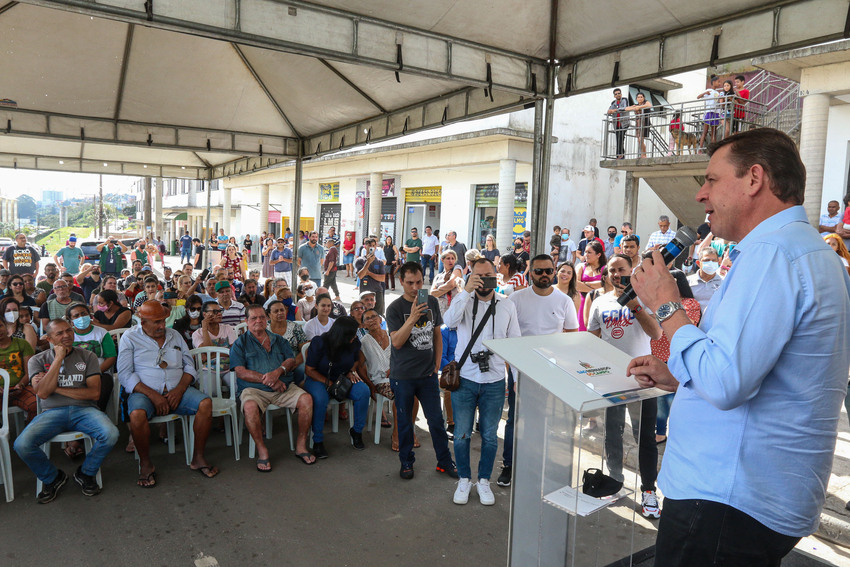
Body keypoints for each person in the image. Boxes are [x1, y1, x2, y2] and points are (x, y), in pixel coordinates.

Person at [627, 128, 850, 565]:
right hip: (752, 496)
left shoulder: (774, 255)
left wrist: (666, 303)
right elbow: (763, 367)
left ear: (754, 178)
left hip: (725, 500)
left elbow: (727, 383)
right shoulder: (813, 255)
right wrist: (681, 374)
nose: (700, 195)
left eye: (711, 180)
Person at [586, 254, 663, 519]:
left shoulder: (645, 298)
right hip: (611, 382)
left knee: (645, 439)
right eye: (611, 270)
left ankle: (649, 491)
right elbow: (592, 340)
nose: (616, 274)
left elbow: (656, 334)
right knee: (612, 435)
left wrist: (634, 306)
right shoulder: (600, 302)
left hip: (642, 382)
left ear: (632, 271)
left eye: (621, 269)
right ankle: (615, 482)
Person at [443, 258, 521, 506]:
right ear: (470, 276)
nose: (483, 280)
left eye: (488, 275)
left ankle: (484, 480)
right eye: (478, 276)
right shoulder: (464, 301)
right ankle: (465, 479)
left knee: (489, 436)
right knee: (462, 435)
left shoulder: (507, 305)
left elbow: (515, 344)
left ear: (496, 276)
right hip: (465, 378)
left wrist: (516, 379)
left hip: (495, 381)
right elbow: (450, 321)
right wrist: (465, 291)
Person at [117, 301, 219, 487]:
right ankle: (146, 465)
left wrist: (180, 389)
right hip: (145, 392)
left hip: (177, 389)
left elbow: (190, 365)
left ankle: (198, 457)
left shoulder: (174, 335)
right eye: (156, 322)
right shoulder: (130, 337)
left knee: (205, 403)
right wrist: (154, 396)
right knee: (137, 414)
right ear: (142, 320)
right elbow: (125, 374)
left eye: (163, 320)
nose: (162, 326)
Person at [15, 319, 119, 502]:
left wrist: (53, 387)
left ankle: (86, 472)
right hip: (51, 412)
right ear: (48, 338)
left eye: (68, 331)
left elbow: (94, 393)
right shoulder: (37, 360)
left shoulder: (88, 356)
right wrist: (58, 359)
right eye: (59, 333)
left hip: (85, 410)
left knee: (111, 434)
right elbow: (43, 395)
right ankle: (53, 477)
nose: (66, 336)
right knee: (22, 445)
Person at [500, 254, 579, 487]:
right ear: (530, 273)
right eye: (539, 271)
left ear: (554, 272)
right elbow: (507, 339)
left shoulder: (564, 300)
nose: (544, 275)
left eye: (548, 271)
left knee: (546, 422)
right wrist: (513, 373)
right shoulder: (515, 299)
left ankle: (538, 466)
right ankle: (509, 466)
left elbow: (571, 337)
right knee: (516, 420)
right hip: (520, 372)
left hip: (550, 373)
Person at [387, 261, 457, 480]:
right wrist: (414, 317)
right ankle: (407, 462)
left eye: (419, 282)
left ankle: (444, 461)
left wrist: (436, 365)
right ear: (401, 282)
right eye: (410, 283)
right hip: (403, 376)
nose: (416, 287)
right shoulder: (395, 308)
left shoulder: (432, 302)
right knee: (406, 422)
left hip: (427, 375)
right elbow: (397, 342)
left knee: (436, 421)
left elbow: (437, 334)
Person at [231, 304, 315, 470]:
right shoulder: (240, 343)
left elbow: (291, 360)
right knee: (249, 406)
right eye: (253, 318)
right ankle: (262, 450)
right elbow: (240, 372)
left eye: (262, 317)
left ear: (267, 318)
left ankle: (300, 445)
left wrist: (278, 372)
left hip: (283, 385)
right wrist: (268, 380)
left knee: (306, 399)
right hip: (254, 389)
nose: (258, 321)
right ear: (246, 321)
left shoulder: (278, 340)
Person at [304, 316, 371, 457]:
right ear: (343, 334)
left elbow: (355, 361)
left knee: (363, 391)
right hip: (318, 378)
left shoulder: (353, 343)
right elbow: (309, 370)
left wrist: (350, 372)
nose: (355, 337)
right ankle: (318, 441)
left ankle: (356, 431)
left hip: (342, 378)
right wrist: (329, 383)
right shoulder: (320, 342)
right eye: (352, 334)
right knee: (321, 399)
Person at [651, 271, 701, 445]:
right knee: (660, 400)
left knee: (674, 400)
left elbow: (684, 327)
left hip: (676, 358)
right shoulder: (656, 304)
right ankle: (660, 432)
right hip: (657, 356)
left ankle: (680, 433)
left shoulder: (690, 304)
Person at [0, 314, 37, 422]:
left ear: (6, 327)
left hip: (20, 388)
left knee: (36, 404)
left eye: (0, 326)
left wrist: (20, 384)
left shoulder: (22, 344)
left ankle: (29, 433)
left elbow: (29, 371)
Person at [267, 300, 308, 385]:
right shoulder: (264, 329)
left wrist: (293, 364)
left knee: (301, 369)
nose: (280, 313)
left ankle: (297, 390)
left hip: (294, 362)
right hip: (271, 363)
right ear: (269, 314)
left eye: (282, 310)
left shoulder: (295, 327)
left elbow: (304, 349)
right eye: (276, 311)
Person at [191, 301, 237, 371]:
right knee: (210, 381)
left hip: (229, 368)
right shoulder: (197, 334)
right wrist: (204, 329)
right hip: (208, 369)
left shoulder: (228, 328)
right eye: (215, 311)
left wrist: (212, 356)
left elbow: (235, 352)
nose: (219, 314)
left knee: (234, 380)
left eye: (220, 311)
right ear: (204, 314)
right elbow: (208, 352)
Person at [576, 241, 606, 331]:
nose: (586, 255)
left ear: (598, 254)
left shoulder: (605, 268)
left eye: (589, 252)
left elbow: (606, 284)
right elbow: (576, 285)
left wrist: (585, 284)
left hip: (600, 303)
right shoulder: (581, 266)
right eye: (585, 252)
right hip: (582, 302)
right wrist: (597, 286)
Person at [686, 247, 723, 314]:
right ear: (698, 263)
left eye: (714, 260)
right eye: (707, 260)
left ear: (718, 262)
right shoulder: (688, 282)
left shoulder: (724, 283)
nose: (710, 263)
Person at [354, 239, 386, 315]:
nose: (372, 247)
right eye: (369, 245)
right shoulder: (360, 261)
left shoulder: (379, 262)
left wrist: (369, 273)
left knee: (378, 315)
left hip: (377, 291)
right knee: (364, 314)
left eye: (373, 245)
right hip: (365, 292)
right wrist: (368, 262)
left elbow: (382, 278)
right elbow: (361, 276)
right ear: (365, 247)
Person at [430, 249, 464, 315]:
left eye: (453, 258)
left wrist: (439, 290)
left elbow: (451, 284)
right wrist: (446, 286)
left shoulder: (457, 269)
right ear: (442, 260)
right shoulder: (438, 276)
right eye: (448, 258)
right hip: (441, 309)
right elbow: (432, 293)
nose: (451, 261)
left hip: (454, 308)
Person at [697, 74, 722, 150]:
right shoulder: (708, 90)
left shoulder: (718, 93)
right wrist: (705, 93)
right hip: (708, 112)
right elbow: (698, 97)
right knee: (705, 131)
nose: (719, 83)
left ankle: (712, 149)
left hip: (716, 113)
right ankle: (700, 149)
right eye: (718, 82)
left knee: (714, 132)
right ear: (713, 82)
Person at [625, 92, 653, 158]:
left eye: (641, 97)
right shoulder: (636, 105)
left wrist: (639, 107)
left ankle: (644, 154)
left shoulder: (646, 103)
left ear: (644, 98)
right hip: (638, 124)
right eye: (638, 97)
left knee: (640, 139)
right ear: (636, 98)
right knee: (639, 140)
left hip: (644, 123)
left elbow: (649, 105)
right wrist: (633, 107)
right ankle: (643, 154)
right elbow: (626, 109)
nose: (640, 98)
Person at [607, 87, 628, 158]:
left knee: (621, 138)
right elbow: (609, 111)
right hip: (616, 123)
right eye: (616, 94)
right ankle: (620, 155)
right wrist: (613, 110)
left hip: (624, 123)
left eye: (619, 93)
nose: (618, 95)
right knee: (618, 138)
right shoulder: (613, 103)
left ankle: (620, 155)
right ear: (614, 96)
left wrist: (615, 110)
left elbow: (624, 108)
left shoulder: (624, 100)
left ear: (621, 94)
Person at [322, 236, 341, 301]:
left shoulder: (332, 250)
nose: (326, 244)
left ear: (330, 243)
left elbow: (332, 261)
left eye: (326, 243)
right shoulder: (333, 249)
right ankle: (337, 295)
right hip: (333, 270)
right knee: (333, 283)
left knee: (326, 283)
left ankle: (322, 296)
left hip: (331, 270)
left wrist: (328, 270)